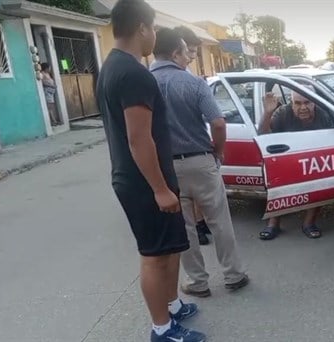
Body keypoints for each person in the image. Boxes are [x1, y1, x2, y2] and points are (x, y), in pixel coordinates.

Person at [94, 1, 204, 341]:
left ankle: (171, 307)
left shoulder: (111, 68)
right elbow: (139, 139)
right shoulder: (132, 73)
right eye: (153, 27)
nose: (154, 35)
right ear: (142, 27)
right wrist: (159, 188)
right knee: (154, 255)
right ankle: (162, 329)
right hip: (144, 181)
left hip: (145, 176)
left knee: (170, 247)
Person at [150, 27, 249, 298]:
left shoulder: (145, 83)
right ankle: (234, 275)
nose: (189, 58)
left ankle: (198, 282)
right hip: (201, 160)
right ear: (174, 53)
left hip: (167, 167)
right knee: (219, 220)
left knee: (184, 228)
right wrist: (218, 152)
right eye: (186, 52)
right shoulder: (193, 83)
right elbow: (218, 122)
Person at [257, 86, 334, 240]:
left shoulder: (324, 114)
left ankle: (309, 223)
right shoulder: (283, 112)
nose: (303, 107)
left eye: (307, 102)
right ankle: (273, 223)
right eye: (298, 103)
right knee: (278, 179)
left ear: (314, 102)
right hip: (288, 158)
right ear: (291, 103)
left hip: (313, 158)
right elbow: (263, 134)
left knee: (320, 180)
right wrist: (267, 113)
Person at [173, 25, 212, 245]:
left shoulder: (189, 76)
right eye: (191, 52)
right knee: (189, 196)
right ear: (178, 49)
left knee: (195, 194)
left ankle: (199, 223)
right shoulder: (186, 79)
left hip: (192, 146)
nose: (193, 57)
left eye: (195, 52)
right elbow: (215, 120)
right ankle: (196, 226)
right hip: (187, 149)